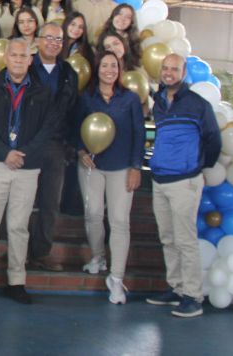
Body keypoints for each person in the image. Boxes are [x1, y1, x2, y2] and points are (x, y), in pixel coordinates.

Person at [0, 38, 57, 305]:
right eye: (13, 55)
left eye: (22, 56)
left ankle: (16, 282)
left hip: (27, 166)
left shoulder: (42, 91)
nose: (18, 60)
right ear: (5, 58)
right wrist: (5, 153)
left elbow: (47, 129)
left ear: (30, 60)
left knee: (18, 227)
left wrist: (23, 153)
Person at [145, 54, 221, 318]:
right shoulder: (159, 102)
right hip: (160, 180)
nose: (169, 73)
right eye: (165, 68)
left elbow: (213, 140)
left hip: (184, 181)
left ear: (184, 72)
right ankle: (176, 288)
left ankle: (193, 296)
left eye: (174, 69)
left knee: (185, 240)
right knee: (168, 238)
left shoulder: (198, 105)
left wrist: (197, 167)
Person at [74, 50, 145, 304]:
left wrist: (136, 167)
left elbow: (139, 134)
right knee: (93, 214)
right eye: (104, 65)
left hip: (122, 167)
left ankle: (116, 278)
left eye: (114, 66)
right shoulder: (86, 98)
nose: (109, 70)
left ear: (120, 69)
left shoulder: (130, 99)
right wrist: (80, 151)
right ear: (97, 69)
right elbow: (74, 128)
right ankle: (98, 256)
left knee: (119, 221)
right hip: (92, 166)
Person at [26, 22, 79, 272]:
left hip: (56, 145)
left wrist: (70, 144)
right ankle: (18, 251)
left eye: (58, 39)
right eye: (48, 38)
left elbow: (74, 110)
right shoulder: (25, 66)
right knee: (22, 201)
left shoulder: (69, 73)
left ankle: (41, 253)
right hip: (27, 144)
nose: (53, 43)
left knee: (50, 202)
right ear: (38, 40)